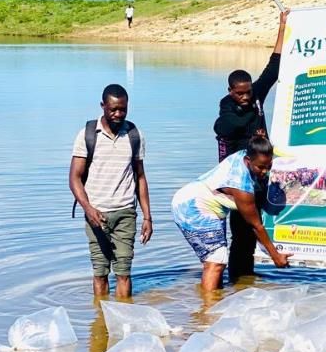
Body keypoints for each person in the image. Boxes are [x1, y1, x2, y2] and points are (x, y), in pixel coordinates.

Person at [214, 9, 289, 281]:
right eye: (240, 93)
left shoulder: (256, 97)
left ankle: (246, 278)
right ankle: (238, 281)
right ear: (230, 90)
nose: (246, 97)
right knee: (242, 231)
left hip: (259, 176)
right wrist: (253, 136)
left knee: (253, 231)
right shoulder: (227, 108)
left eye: (248, 92)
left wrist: (283, 25)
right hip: (237, 181)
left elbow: (274, 66)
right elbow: (223, 128)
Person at [172, 135, 290, 291]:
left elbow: (255, 146)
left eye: (268, 166)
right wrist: (275, 256)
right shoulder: (241, 186)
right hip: (194, 207)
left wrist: (260, 139)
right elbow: (256, 226)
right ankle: (207, 310)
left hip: (203, 203)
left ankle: (214, 298)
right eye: (260, 167)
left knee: (216, 261)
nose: (265, 171)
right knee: (215, 262)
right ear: (248, 160)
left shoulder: (244, 154)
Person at [69, 84, 152, 298]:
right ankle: (100, 326)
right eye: (113, 109)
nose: (118, 114)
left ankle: (123, 324)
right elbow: (74, 178)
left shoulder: (134, 135)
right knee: (100, 272)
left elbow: (140, 177)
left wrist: (147, 217)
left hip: (125, 212)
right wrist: (88, 209)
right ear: (103, 106)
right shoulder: (87, 134)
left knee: (124, 272)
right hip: (96, 213)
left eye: (122, 109)